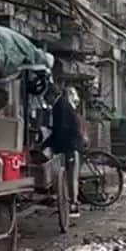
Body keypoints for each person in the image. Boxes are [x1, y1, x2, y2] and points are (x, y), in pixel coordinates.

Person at [44, 87, 86, 219]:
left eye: (47, 98)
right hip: (69, 144)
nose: (46, 101)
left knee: (71, 176)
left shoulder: (60, 106)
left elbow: (61, 129)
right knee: (69, 175)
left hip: (70, 145)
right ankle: (70, 203)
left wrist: (50, 144)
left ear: (52, 95)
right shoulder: (61, 104)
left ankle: (74, 205)